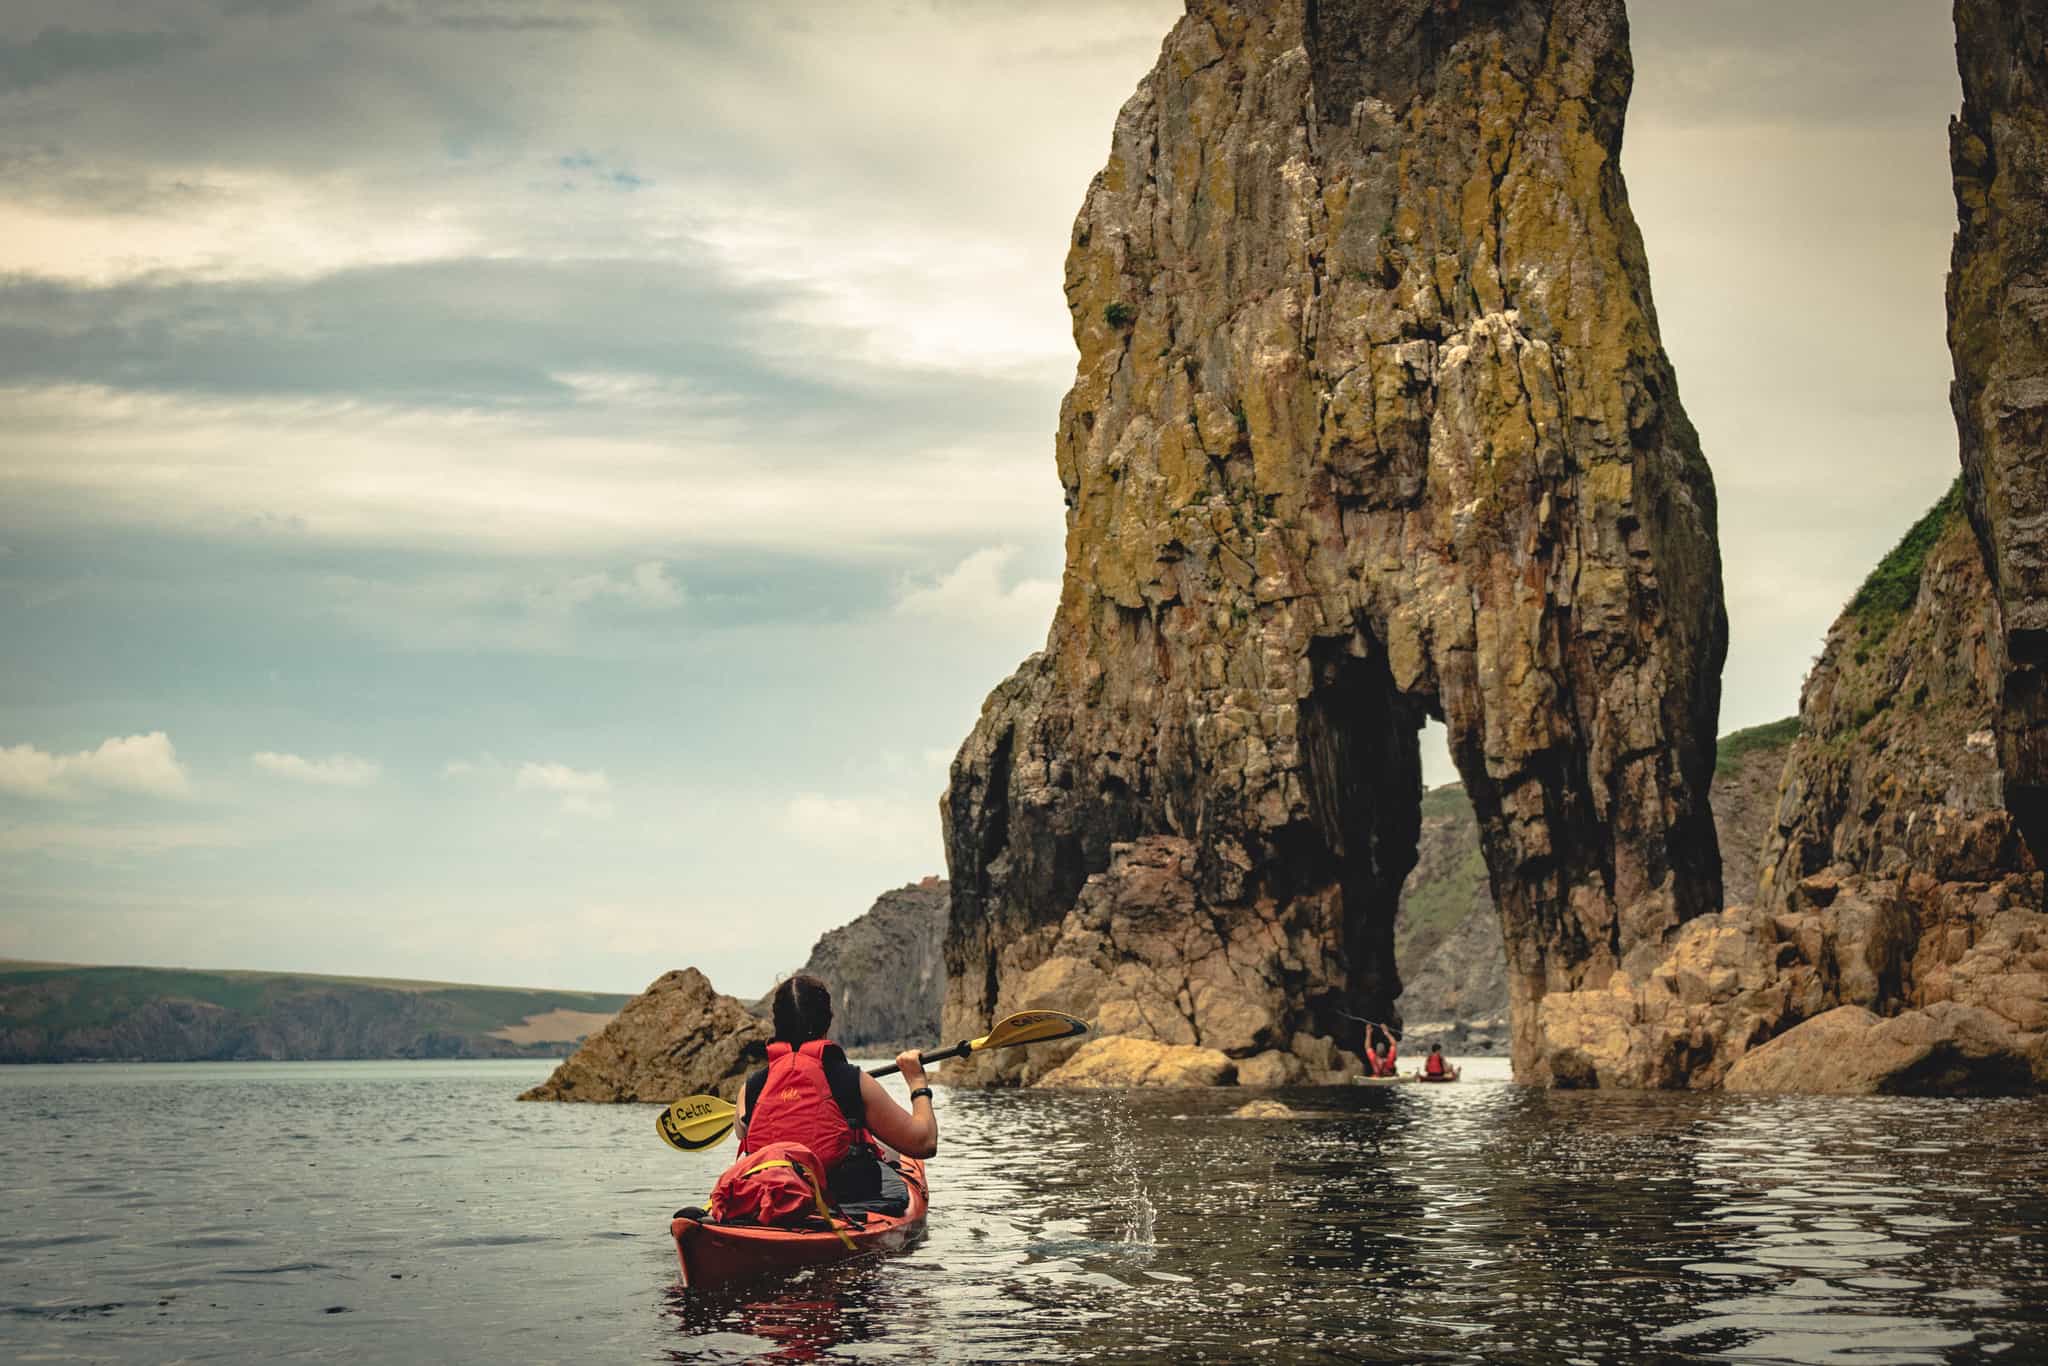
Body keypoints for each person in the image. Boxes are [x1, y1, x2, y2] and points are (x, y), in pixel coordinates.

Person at [733, 973, 937, 1215]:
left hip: (774, 1201)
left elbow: (742, 1132)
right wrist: (917, 1082)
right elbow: (923, 1143)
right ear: (827, 1022)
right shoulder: (853, 1081)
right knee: (884, 1149)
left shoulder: (751, 1087)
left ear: (776, 1023)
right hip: (845, 1203)